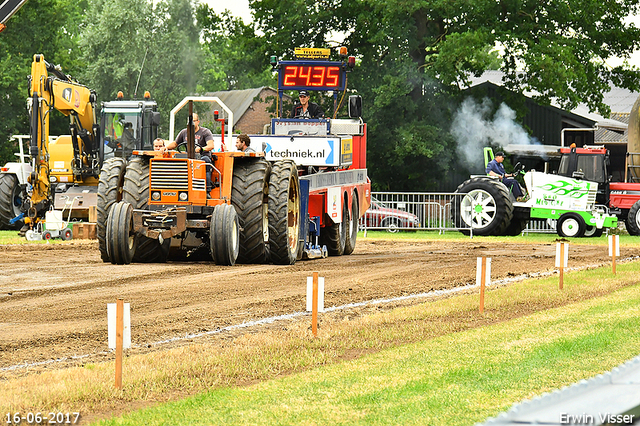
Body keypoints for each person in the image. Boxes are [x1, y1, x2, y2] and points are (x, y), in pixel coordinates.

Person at [162, 113, 216, 194]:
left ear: (198, 122)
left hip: (202, 157)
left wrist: (202, 149)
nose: (192, 123)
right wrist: (166, 147)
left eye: (194, 121)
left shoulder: (205, 132)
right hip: (188, 157)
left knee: (205, 161)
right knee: (176, 161)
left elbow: (211, 145)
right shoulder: (184, 132)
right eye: (190, 121)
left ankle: (207, 190)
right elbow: (175, 144)